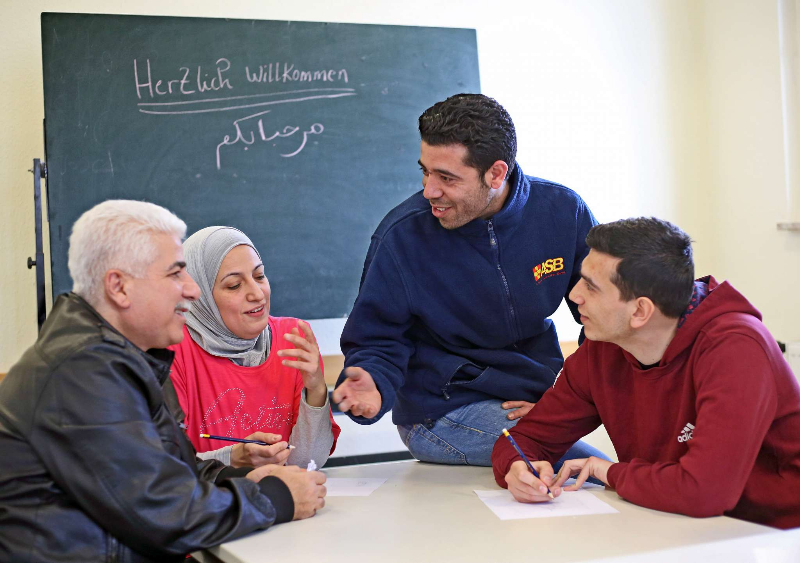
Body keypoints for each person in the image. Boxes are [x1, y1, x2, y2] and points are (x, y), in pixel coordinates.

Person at [0, 201, 327, 562]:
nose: (192, 290)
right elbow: (163, 512)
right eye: (174, 275)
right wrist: (274, 497)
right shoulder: (83, 371)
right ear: (119, 287)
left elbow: (171, 469)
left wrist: (238, 479)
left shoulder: (115, 356)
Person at [332, 93, 609, 467]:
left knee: (614, 461)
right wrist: (374, 383)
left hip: (532, 396)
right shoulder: (401, 236)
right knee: (586, 470)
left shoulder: (563, 211)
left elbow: (605, 315)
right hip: (441, 414)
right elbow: (376, 337)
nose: (430, 190)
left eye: (447, 178)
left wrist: (569, 399)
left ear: (496, 174)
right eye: (425, 172)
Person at [492, 217, 800, 529]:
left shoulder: (737, 347)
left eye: (591, 286)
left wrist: (608, 472)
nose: (574, 295)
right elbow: (526, 438)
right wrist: (517, 467)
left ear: (640, 311)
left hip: (772, 534)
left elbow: (704, 491)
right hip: (674, 522)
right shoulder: (605, 344)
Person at [165, 226, 340, 469]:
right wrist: (232, 459)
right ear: (201, 295)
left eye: (259, 276)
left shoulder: (294, 338)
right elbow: (166, 469)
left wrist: (317, 391)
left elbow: (307, 463)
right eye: (234, 285)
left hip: (282, 499)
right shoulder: (173, 350)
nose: (257, 294)